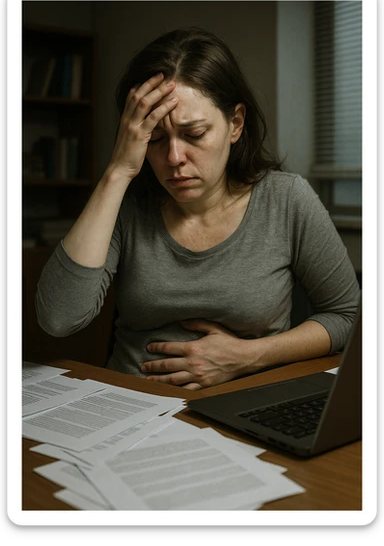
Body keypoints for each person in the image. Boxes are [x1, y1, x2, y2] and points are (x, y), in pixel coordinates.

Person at [35, 26, 361, 390]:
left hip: (248, 405)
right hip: (129, 406)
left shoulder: (286, 200)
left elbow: (349, 316)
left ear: (235, 123)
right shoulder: (126, 206)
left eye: (194, 135)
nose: (174, 158)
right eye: (155, 139)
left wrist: (250, 355)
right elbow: (58, 319)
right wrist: (118, 172)